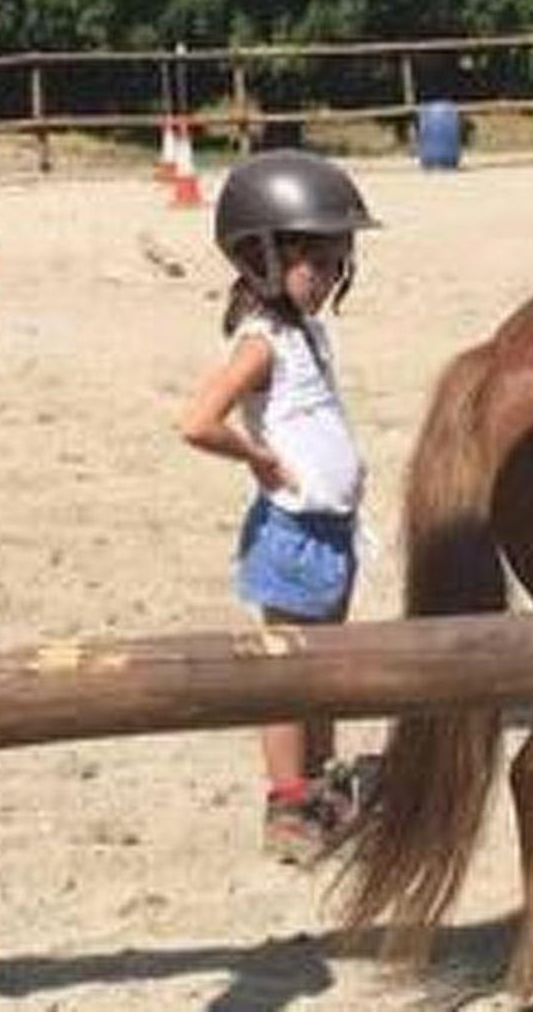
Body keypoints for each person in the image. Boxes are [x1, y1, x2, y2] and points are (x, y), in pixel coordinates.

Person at [179, 148, 379, 863]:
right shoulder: (262, 344)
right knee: (287, 674)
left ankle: (319, 783)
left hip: (332, 530)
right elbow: (197, 421)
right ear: (263, 258)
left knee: (322, 669)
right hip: (293, 532)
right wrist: (257, 458)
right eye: (314, 263)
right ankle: (287, 799)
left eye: (336, 264)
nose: (326, 278)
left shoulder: (305, 332)